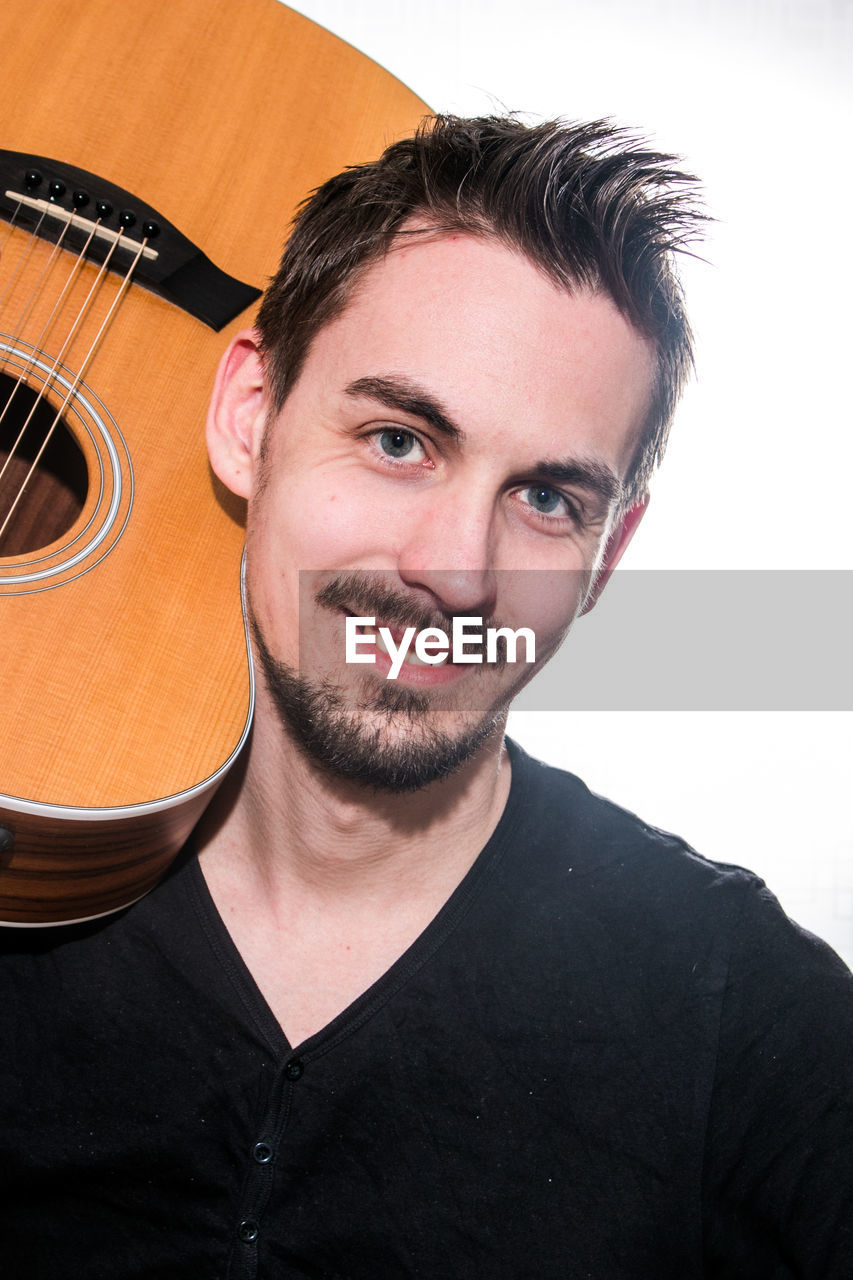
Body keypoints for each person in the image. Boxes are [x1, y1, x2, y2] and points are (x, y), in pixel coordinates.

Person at [1, 114, 851, 1279]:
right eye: (400, 439)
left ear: (607, 554)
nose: (456, 568)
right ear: (251, 418)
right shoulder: (26, 850)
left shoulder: (747, 1015)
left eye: (547, 498)